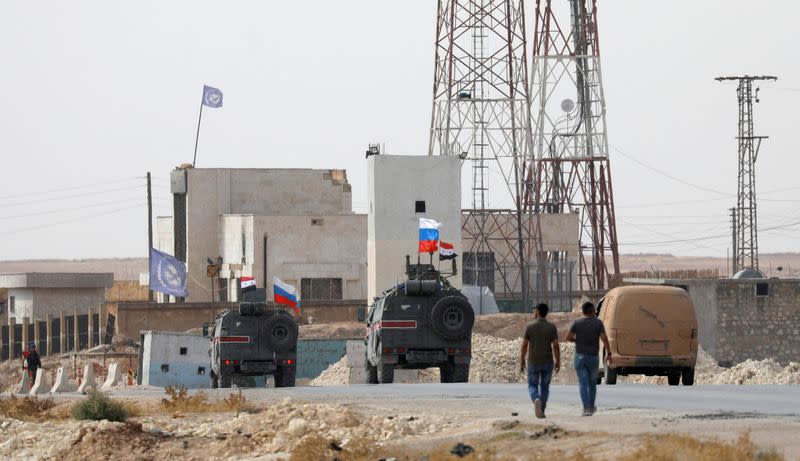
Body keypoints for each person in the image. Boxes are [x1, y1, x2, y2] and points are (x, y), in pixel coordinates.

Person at [566, 301, 611, 416]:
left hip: (580, 356)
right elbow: (604, 338)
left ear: (583, 311)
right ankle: (591, 406)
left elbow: (569, 337)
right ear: (593, 311)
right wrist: (609, 353)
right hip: (593, 357)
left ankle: (586, 408)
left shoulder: (577, 323)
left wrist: (578, 340)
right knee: (592, 384)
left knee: (582, 383)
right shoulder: (598, 323)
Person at [519, 303, 560, 419]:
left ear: (537, 311)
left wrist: (522, 360)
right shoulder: (552, 327)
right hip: (547, 361)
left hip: (533, 361)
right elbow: (556, 345)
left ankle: (536, 398)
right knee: (545, 387)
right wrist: (558, 361)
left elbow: (524, 345)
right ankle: (542, 408)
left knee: (532, 385)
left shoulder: (530, 326)